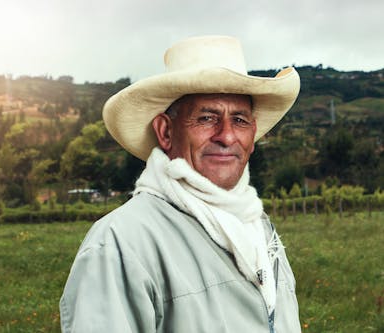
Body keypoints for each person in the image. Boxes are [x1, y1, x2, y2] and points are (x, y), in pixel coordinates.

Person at [60, 35, 301, 332]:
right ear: (165, 132)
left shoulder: (260, 232)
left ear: (253, 136)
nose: (226, 136)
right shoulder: (121, 242)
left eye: (239, 120)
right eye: (207, 118)